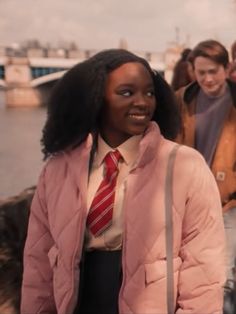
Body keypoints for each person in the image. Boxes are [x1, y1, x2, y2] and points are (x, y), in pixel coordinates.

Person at [21, 49, 225, 314]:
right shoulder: (57, 170)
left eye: (149, 93)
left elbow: (204, 268)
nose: (142, 102)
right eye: (127, 93)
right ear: (95, 98)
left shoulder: (186, 166)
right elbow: (38, 262)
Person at [175, 39, 236, 312]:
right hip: (191, 203)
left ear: (226, 68)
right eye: (201, 73)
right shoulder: (181, 100)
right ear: (192, 71)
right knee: (191, 273)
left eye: (214, 71)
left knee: (224, 277)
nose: (208, 79)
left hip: (229, 203)